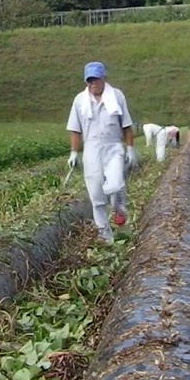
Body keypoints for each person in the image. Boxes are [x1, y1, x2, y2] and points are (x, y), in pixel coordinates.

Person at [66, 61, 138, 243]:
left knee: (115, 184)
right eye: (89, 81)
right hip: (91, 149)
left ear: (104, 78)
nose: (93, 84)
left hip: (113, 147)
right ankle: (104, 235)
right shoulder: (80, 101)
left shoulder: (117, 97)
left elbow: (127, 126)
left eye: (96, 80)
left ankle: (119, 210)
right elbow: (75, 129)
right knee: (96, 194)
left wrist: (129, 148)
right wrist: (74, 153)